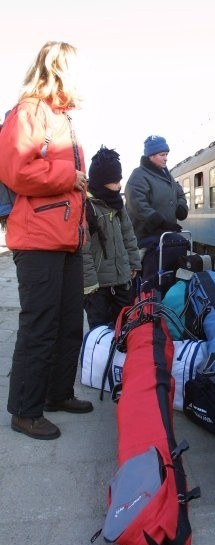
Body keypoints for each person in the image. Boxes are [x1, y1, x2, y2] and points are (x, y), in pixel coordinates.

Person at [0, 41, 93, 441]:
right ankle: (24, 410)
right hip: (38, 239)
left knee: (70, 322)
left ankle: (57, 394)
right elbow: (17, 171)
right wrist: (69, 177)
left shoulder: (61, 117)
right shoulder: (29, 111)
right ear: (60, 69)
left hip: (65, 237)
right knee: (39, 325)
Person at [82, 145, 141, 329]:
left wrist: (133, 264)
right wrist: (90, 285)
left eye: (119, 179)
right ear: (101, 181)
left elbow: (128, 235)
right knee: (101, 333)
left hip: (122, 281)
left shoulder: (118, 204)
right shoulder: (87, 207)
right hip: (98, 289)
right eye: (114, 181)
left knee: (125, 330)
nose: (119, 184)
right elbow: (83, 251)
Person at [125, 135, 189, 293]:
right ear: (150, 156)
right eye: (162, 155)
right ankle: (148, 306)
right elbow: (137, 203)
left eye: (166, 154)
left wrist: (181, 206)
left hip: (165, 237)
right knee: (152, 280)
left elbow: (179, 193)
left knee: (169, 275)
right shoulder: (139, 175)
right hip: (146, 238)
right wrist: (160, 222)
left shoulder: (167, 176)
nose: (166, 158)